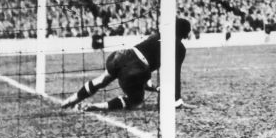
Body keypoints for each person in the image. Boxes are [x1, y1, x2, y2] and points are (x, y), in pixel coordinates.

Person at [61, 18, 192, 111]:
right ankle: (98, 106)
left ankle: (71, 100)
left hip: (121, 55)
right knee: (136, 101)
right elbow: (175, 74)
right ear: (185, 34)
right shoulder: (179, 48)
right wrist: (177, 99)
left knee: (102, 80)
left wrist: (155, 88)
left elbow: (145, 73)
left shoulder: (157, 35)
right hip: (136, 69)